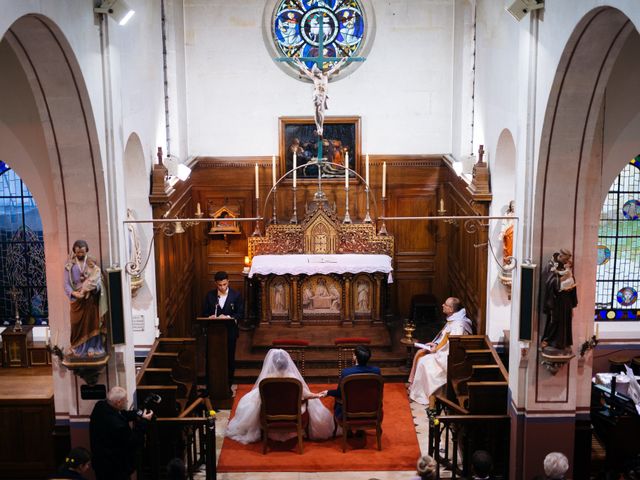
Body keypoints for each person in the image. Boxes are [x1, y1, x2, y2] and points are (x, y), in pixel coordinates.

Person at [225, 349, 334, 444]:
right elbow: (306, 395)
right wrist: (317, 395)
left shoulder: (265, 381)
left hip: (270, 413)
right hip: (293, 414)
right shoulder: (294, 380)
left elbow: (258, 398)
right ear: (288, 364)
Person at [408, 297, 473, 407]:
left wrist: (436, 350)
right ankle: (419, 391)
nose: (442, 305)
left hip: (449, 357)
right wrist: (436, 345)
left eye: (446, 305)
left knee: (424, 362)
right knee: (422, 356)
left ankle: (429, 395)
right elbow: (445, 339)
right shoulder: (453, 319)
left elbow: (452, 345)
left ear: (451, 309)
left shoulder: (459, 325)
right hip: (443, 352)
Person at [89, 386, 153, 480]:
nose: (127, 401)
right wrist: (144, 421)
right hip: (116, 469)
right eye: (125, 400)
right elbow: (133, 440)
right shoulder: (118, 425)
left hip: (100, 463)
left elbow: (120, 414)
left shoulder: (100, 406)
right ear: (118, 402)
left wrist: (137, 414)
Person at [64, 239, 107, 358]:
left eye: (82, 252)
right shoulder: (69, 266)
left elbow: (100, 281)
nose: (80, 255)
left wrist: (94, 288)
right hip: (77, 300)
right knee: (75, 324)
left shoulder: (92, 264)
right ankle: (76, 346)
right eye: (78, 253)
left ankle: (93, 346)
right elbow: (66, 284)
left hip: (91, 300)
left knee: (92, 323)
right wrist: (73, 293)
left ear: (86, 251)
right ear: (74, 252)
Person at [320, 345, 381, 422]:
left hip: (349, 412)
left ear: (355, 357)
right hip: (371, 409)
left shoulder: (346, 372)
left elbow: (340, 393)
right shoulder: (376, 371)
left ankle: (348, 430)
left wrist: (328, 392)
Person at [203, 271, 244, 382]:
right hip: (213, 334)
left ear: (228, 282)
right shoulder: (210, 296)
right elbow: (204, 313)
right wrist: (209, 317)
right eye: (220, 285)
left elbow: (240, 314)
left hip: (230, 332)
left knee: (229, 358)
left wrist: (228, 316)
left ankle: (228, 384)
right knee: (212, 359)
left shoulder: (236, 295)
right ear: (216, 283)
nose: (222, 287)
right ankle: (210, 385)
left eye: (224, 284)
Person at [294, 56, 348, 137]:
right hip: (317, 94)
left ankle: (320, 127)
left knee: (321, 111)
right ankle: (318, 126)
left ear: (319, 71)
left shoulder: (326, 75)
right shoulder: (314, 77)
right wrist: (297, 61)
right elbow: (304, 69)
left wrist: (342, 61)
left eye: (317, 72)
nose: (316, 73)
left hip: (323, 95)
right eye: (315, 72)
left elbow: (335, 68)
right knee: (316, 110)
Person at [541, 250, 577, 354]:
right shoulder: (551, 266)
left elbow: (570, 278)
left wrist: (571, 288)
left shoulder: (565, 267)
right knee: (554, 320)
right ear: (561, 256)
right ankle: (547, 340)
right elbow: (548, 283)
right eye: (565, 259)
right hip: (555, 300)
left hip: (566, 300)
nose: (567, 262)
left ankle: (563, 342)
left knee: (565, 320)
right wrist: (561, 280)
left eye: (568, 260)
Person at [499, 200, 515, 266]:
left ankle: (512, 261)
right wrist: (502, 233)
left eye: (515, 206)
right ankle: (508, 261)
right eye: (512, 206)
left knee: (513, 247)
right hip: (508, 233)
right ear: (510, 206)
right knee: (507, 247)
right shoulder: (508, 214)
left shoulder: (519, 213)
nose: (514, 207)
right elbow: (504, 223)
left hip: (514, 233)